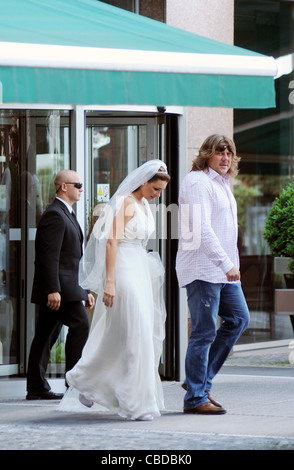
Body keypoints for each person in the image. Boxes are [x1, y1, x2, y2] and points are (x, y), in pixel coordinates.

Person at [59, 160, 170, 421]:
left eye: (160, 191)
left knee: (127, 332)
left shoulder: (144, 205)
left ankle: (86, 381)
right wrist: (109, 282)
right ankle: (133, 405)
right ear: (143, 182)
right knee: (133, 333)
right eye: (155, 189)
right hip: (122, 270)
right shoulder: (126, 203)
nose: (157, 195)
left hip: (139, 269)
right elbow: (111, 242)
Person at [176, 134, 250, 415]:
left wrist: (231, 265)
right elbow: (202, 228)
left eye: (229, 152)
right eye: (220, 152)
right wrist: (225, 263)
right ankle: (195, 398)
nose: (225, 157)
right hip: (203, 268)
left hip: (224, 271)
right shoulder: (197, 182)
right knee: (204, 332)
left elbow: (226, 232)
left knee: (239, 319)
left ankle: (199, 382)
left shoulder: (222, 184)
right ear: (207, 154)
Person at [26, 170, 95, 400]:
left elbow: (73, 258)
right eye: (78, 184)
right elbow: (49, 257)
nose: (81, 189)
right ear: (64, 186)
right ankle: (73, 385)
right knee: (81, 326)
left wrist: (84, 289)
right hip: (60, 289)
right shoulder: (55, 215)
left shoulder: (67, 213)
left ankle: (36, 387)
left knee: (45, 334)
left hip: (66, 286)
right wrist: (52, 289)